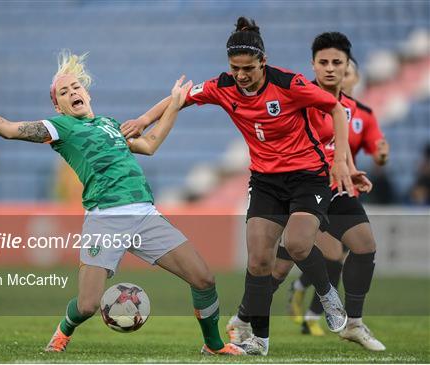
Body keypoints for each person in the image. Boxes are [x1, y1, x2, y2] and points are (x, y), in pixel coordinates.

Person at [0, 50, 245, 356]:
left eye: (76, 87)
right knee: (88, 305)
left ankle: (214, 344)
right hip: (104, 220)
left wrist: (174, 103)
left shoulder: (109, 124)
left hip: (145, 215)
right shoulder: (61, 127)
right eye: (64, 92)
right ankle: (64, 330)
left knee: (204, 278)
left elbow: (149, 145)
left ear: (87, 93)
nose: (72, 92)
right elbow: (8, 129)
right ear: (59, 106)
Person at [122, 17, 360, 356]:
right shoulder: (224, 86)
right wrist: (145, 121)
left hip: (308, 175)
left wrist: (340, 161)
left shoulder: (289, 84)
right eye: (236, 68)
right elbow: (180, 98)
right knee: (258, 262)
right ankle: (259, 341)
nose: (242, 75)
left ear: (263, 61)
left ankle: (327, 294)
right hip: (265, 180)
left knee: (295, 243)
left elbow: (336, 108)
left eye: (248, 68)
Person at [271, 32, 386, 351]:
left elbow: (341, 145)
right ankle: (247, 319)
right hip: (305, 191)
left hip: (336, 190)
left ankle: (354, 324)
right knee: (275, 271)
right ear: (314, 65)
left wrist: (350, 170)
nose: (332, 69)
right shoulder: (302, 98)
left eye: (339, 63)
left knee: (363, 246)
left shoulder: (349, 108)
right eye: (325, 63)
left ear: (348, 67)